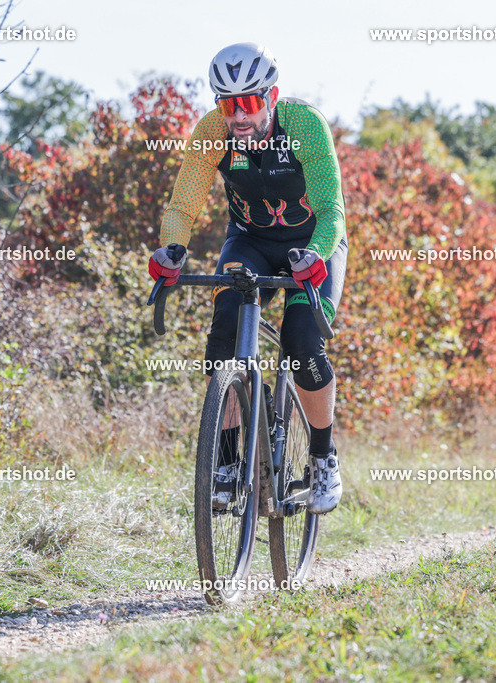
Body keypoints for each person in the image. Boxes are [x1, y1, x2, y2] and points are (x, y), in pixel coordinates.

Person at [148, 42, 347, 514]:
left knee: (303, 345)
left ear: (271, 96)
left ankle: (323, 457)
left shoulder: (304, 126)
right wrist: (171, 248)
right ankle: (226, 461)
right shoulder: (213, 132)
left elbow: (330, 210)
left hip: (312, 243)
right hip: (250, 242)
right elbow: (182, 207)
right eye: (227, 103)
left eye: (250, 103)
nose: (238, 115)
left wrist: (315, 257)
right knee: (225, 329)